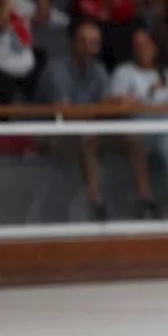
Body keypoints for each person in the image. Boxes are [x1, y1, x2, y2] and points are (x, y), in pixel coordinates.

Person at [36, 22, 110, 219]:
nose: (88, 48)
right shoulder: (57, 69)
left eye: (93, 43)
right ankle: (95, 201)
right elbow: (66, 113)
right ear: (73, 44)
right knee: (85, 138)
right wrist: (99, 110)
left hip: (87, 135)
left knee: (132, 139)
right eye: (83, 42)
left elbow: (108, 110)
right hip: (50, 137)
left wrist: (110, 106)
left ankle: (145, 201)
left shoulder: (100, 71)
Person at [109, 28, 168, 218]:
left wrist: (143, 97)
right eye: (137, 45)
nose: (142, 49)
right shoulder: (124, 72)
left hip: (164, 130)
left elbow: (163, 102)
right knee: (135, 139)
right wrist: (142, 97)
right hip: (135, 129)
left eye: (146, 44)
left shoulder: (167, 75)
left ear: (155, 48)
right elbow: (116, 103)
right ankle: (145, 200)